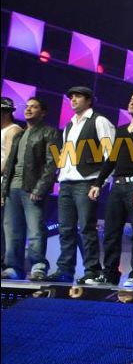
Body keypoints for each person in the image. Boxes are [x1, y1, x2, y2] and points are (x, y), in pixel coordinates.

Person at [46, 86, 115, 284]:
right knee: (66, 229)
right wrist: (60, 176)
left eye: (78, 96)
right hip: (66, 182)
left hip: (87, 182)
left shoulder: (99, 121)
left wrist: (100, 183)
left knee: (86, 228)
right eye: (71, 97)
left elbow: (111, 155)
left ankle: (92, 270)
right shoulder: (69, 125)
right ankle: (65, 269)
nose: (73, 100)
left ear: (89, 100)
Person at [87, 91, 133, 286]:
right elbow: (112, 159)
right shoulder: (122, 130)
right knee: (111, 232)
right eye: (131, 100)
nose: (132, 103)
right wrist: (98, 183)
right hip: (117, 185)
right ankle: (109, 273)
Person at [1, 97, 60, 280]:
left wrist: (40, 188)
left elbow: (53, 163)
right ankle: (14, 268)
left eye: (34, 107)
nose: (28, 109)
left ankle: (38, 266)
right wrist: (3, 190)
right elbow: (10, 165)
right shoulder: (19, 135)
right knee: (12, 230)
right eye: (27, 107)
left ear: (43, 112)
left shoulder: (50, 132)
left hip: (32, 189)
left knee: (35, 230)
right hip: (12, 188)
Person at [1, 97, 22, 269]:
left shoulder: (13, 130)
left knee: (6, 226)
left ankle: (7, 264)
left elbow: (9, 160)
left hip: (5, 183)